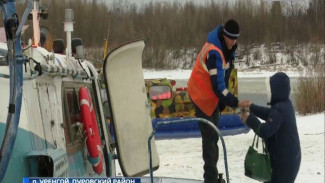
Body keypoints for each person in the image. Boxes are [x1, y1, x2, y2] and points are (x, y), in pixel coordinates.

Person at [187, 19, 244, 183]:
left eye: (236, 39)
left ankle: (213, 175)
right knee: (209, 138)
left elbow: (224, 76)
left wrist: (222, 100)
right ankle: (210, 179)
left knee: (215, 136)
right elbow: (217, 86)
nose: (233, 42)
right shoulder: (214, 53)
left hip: (211, 96)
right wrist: (234, 101)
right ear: (224, 35)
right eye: (230, 38)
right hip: (200, 94)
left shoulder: (226, 49)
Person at [240, 72, 301, 183]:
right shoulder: (284, 105)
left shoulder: (281, 109)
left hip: (284, 163)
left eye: (270, 89)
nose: (268, 92)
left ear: (276, 91)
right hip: (286, 159)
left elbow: (265, 131)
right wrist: (251, 106)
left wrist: (249, 119)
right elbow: (269, 113)